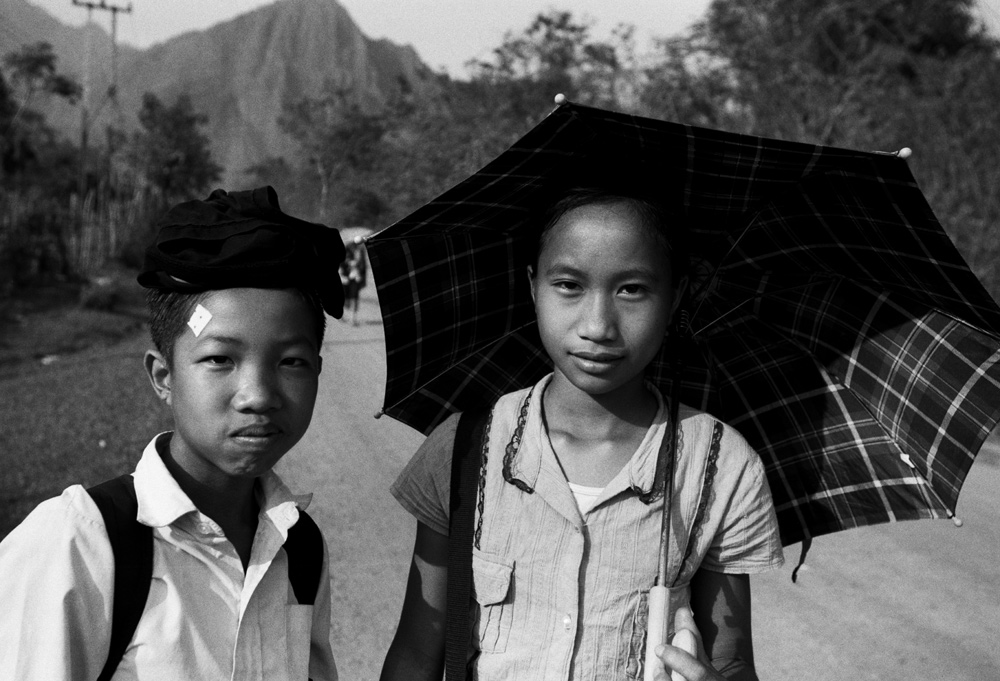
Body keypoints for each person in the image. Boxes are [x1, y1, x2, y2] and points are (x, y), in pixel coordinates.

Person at [380, 188, 784, 681]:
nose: (598, 326)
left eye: (632, 289)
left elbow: (732, 659)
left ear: (676, 295)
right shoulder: (467, 450)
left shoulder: (722, 466)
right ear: (533, 286)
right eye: (569, 285)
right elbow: (418, 651)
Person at [0, 186, 344, 681]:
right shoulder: (82, 545)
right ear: (163, 376)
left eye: (292, 361)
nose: (258, 395)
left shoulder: (300, 547)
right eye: (220, 359)